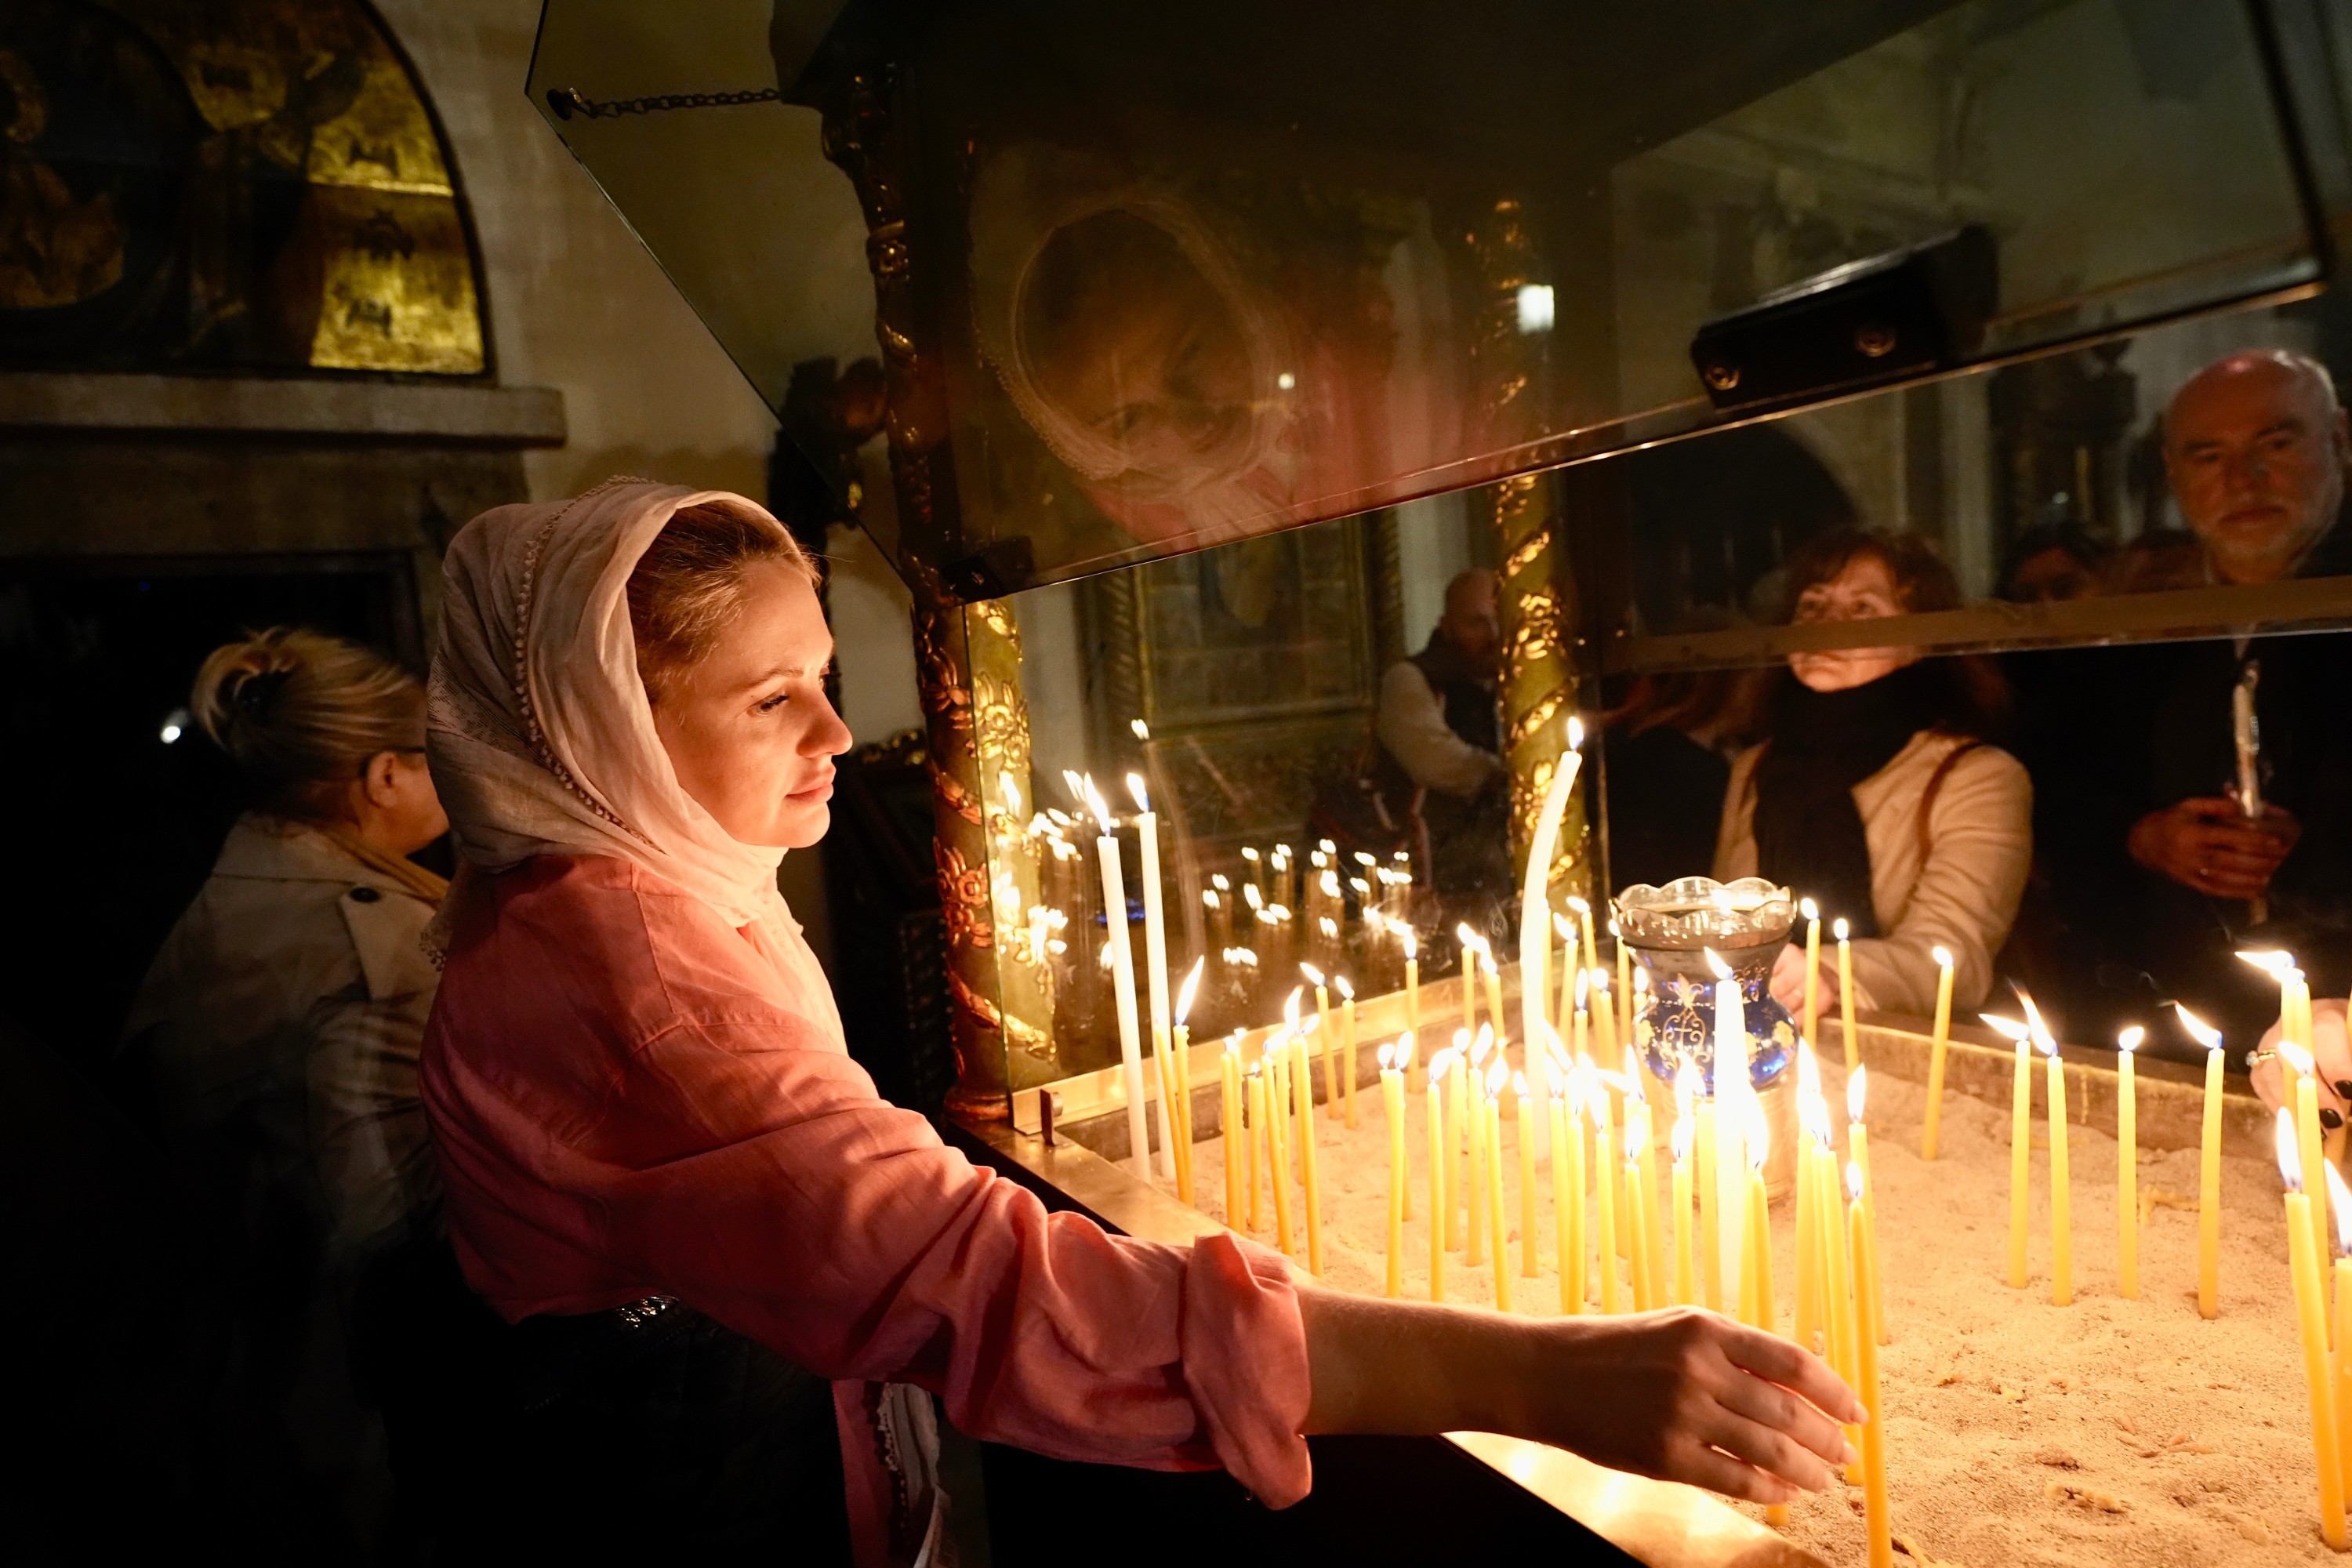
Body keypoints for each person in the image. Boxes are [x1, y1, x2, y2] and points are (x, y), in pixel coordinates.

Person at [412, 481, 1863, 1561]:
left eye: (829, 684)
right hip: (670, 1478)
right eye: (771, 700)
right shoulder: (624, 957)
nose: (839, 738)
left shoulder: (611, 878)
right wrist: (1541, 1372)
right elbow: (976, 1283)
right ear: (601, 725)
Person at [121, 627, 450, 1548]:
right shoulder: (368, 935)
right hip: (345, 1406)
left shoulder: (233, 889)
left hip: (230, 1373)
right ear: (384, 775)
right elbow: (392, 1223)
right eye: (439, 759)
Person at [2060, 350, 2352, 1055]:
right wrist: (2144, 836)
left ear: (2339, 441)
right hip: (2177, 1010)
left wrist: (2320, 860)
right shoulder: (2139, 621)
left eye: (2276, 445)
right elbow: (2066, 780)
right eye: (2207, 455)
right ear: (2173, 472)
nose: (2242, 480)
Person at [1713, 528, 2031, 1019]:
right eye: (1812, 606)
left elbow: (1955, 957)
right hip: (1756, 1037)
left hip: (1902, 1059)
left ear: (1918, 641)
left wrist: (1827, 976)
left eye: (1863, 609)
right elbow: (1724, 921)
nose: (1828, 626)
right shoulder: (1756, 767)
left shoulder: (1976, 776)